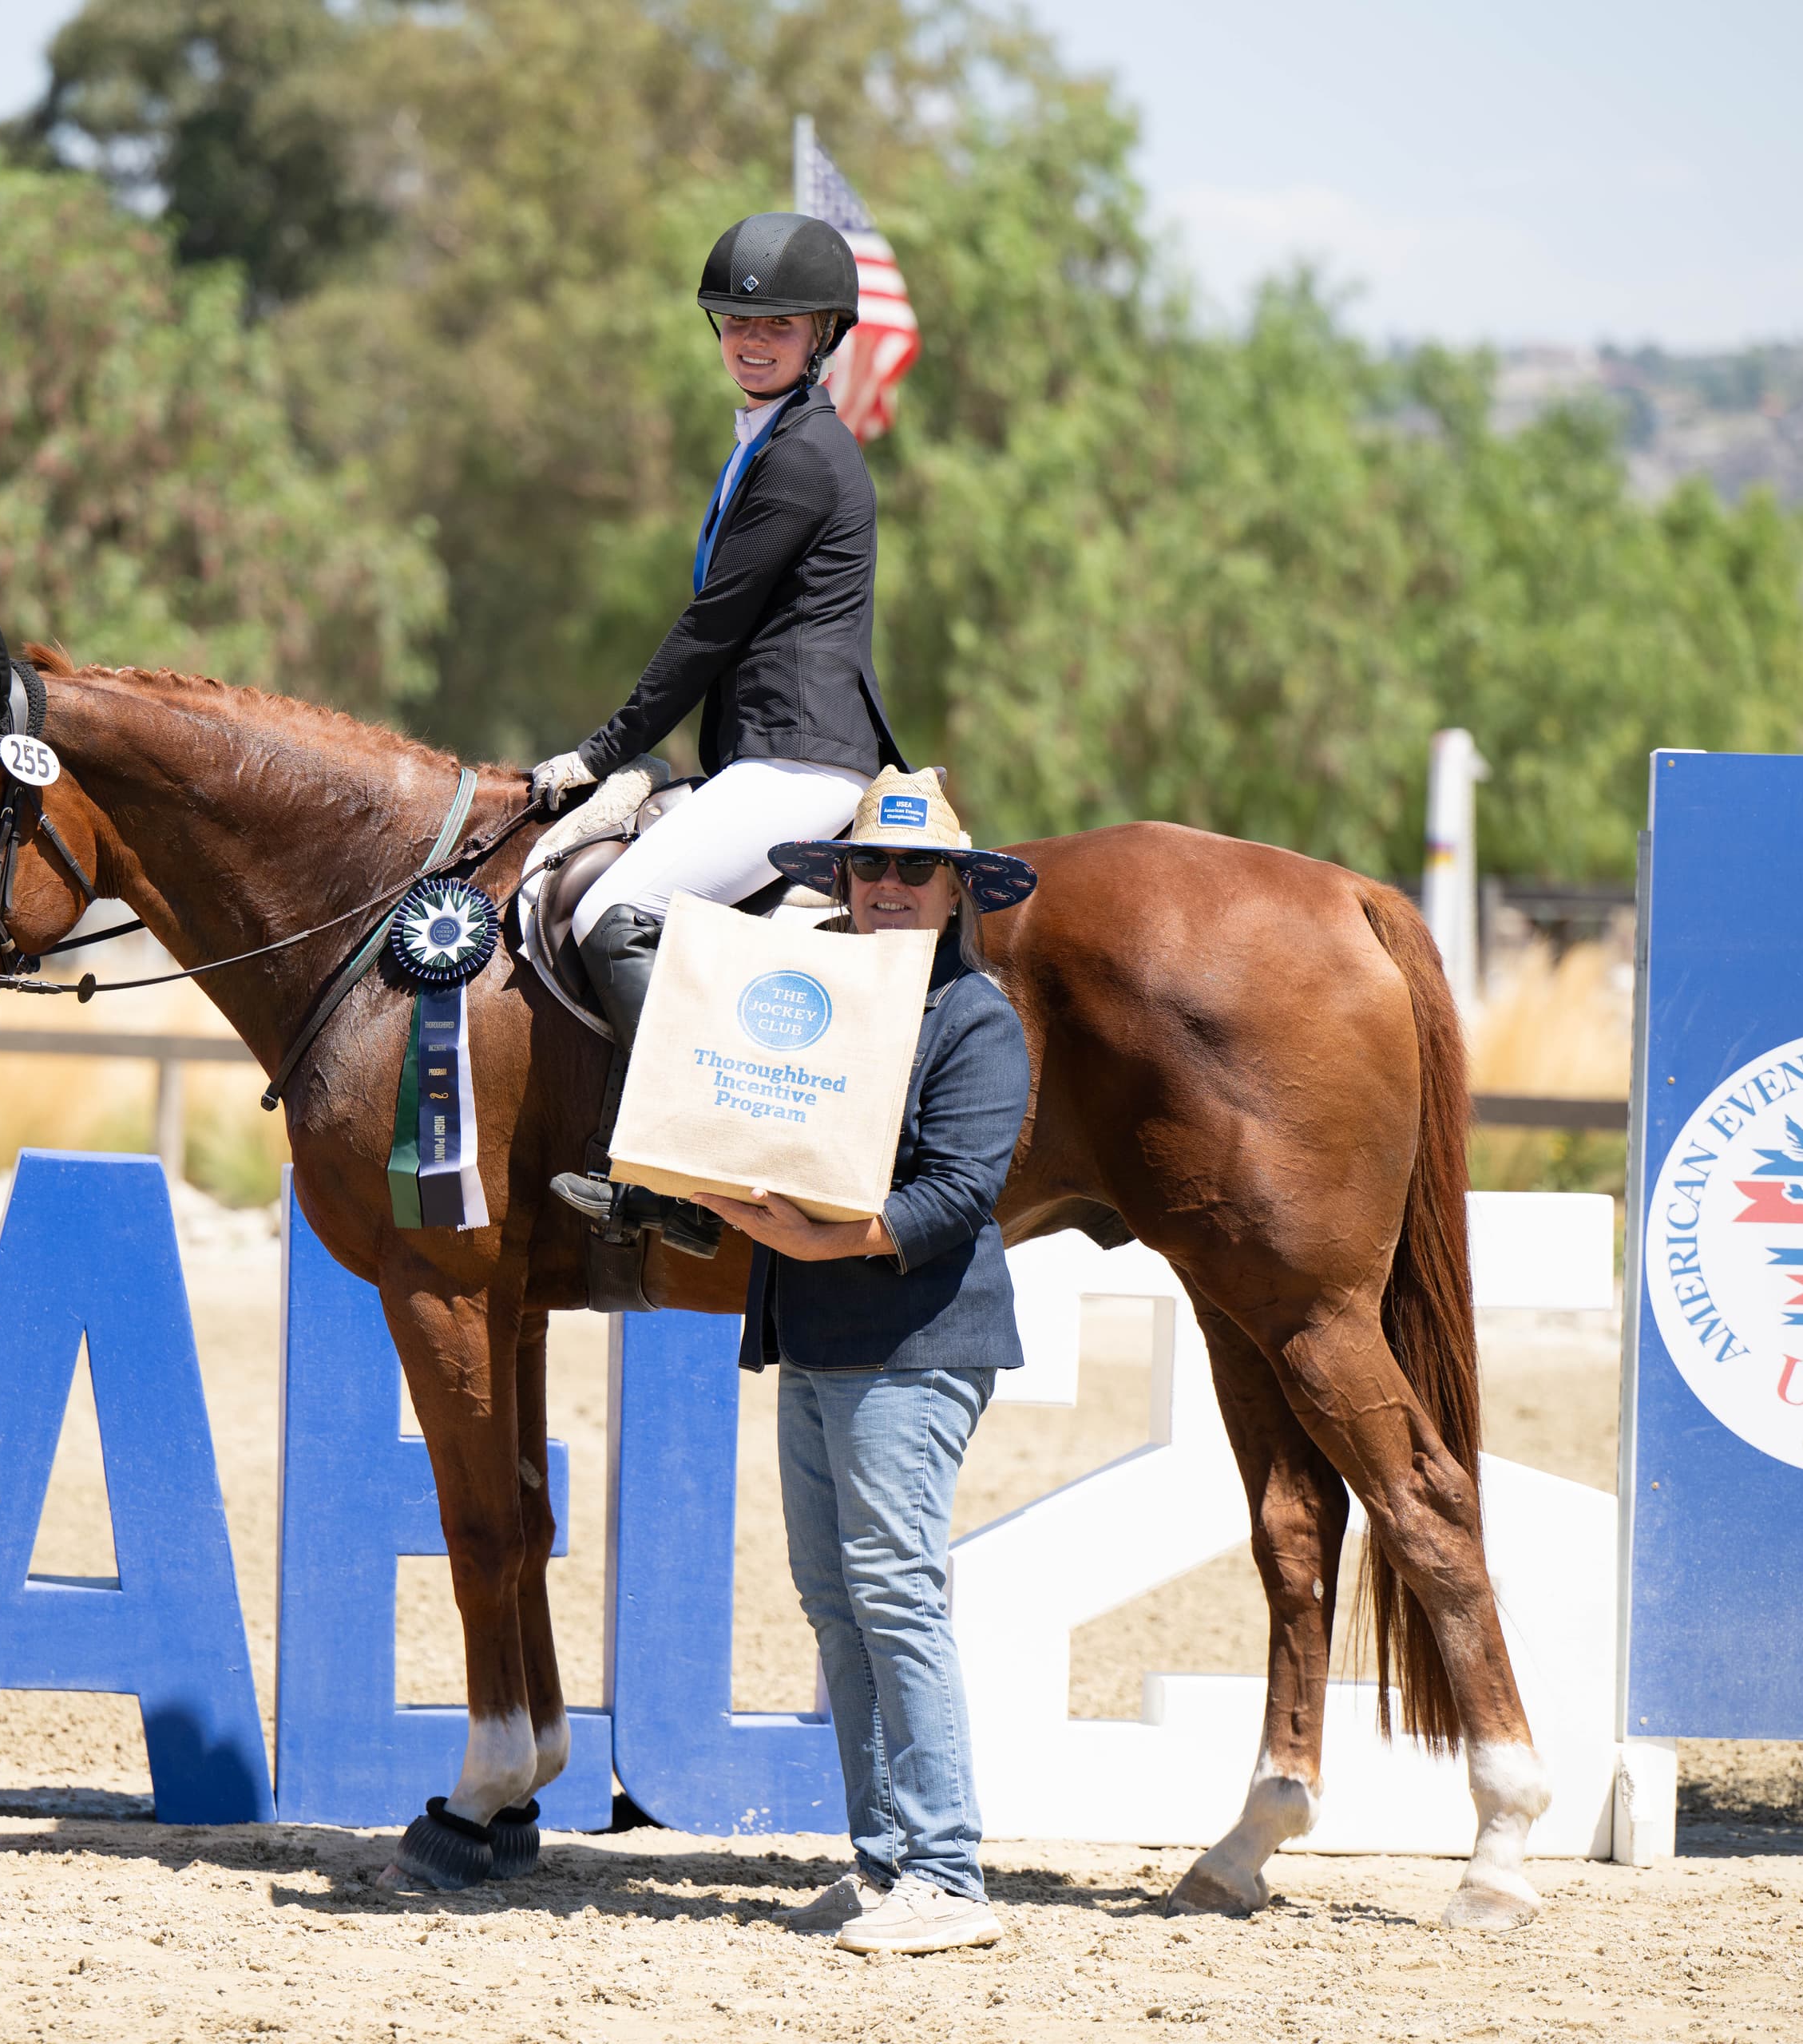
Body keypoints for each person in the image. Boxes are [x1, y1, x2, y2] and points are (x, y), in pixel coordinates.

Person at [688, 767, 1036, 1957]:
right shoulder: (806, 1003)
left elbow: (961, 1193)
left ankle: (948, 1877)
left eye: (912, 869)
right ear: (844, 880)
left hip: (914, 1342)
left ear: (954, 891)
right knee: (839, 1604)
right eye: (869, 866)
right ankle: (887, 1861)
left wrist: (826, 1236)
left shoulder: (977, 1020)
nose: (887, 887)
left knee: (893, 1595)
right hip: (822, 1336)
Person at [532, 209, 911, 1250]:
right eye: (736, 323)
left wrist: (599, 753)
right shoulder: (772, 438)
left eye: (779, 327)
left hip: (798, 756)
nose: (752, 341)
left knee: (616, 909)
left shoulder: (804, 458)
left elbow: (710, 630)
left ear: (824, 334)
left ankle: (686, 1176)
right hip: (770, 752)